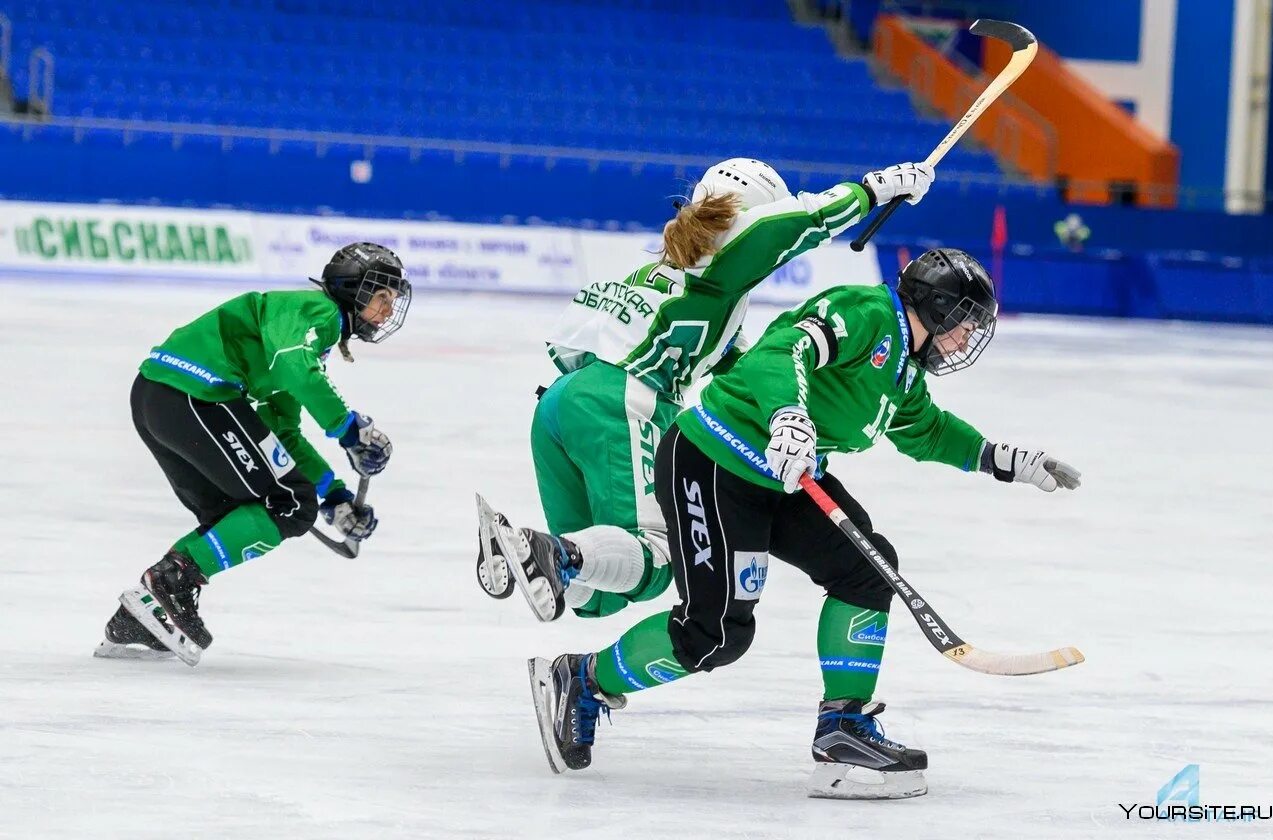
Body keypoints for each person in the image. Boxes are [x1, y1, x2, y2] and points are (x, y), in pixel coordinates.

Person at [522, 248, 1082, 799]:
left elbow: (927, 430)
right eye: (964, 323)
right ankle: (584, 679)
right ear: (935, 308)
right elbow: (782, 350)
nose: (965, 339)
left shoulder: (904, 375)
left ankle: (843, 728)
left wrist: (1002, 459)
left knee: (868, 570)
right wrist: (787, 414)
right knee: (714, 635)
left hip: (785, 476)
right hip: (715, 460)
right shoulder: (865, 312)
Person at [475, 157, 936, 623]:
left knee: (595, 597)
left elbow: (738, 367)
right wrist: (873, 190)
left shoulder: (685, 270)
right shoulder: (728, 254)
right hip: (620, 401)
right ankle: (546, 549)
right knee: (659, 554)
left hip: (560, 400)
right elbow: (803, 221)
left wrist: (785, 416)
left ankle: (525, 548)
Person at [94, 242, 411, 665]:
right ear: (352, 290)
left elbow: (282, 432)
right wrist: (349, 429)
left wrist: (332, 496)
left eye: (393, 299)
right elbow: (295, 369)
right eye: (381, 295)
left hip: (158, 399)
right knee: (290, 504)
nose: (388, 309)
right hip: (196, 394)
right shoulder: (318, 314)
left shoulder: (299, 334)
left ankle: (139, 618)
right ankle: (168, 584)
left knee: (240, 512)